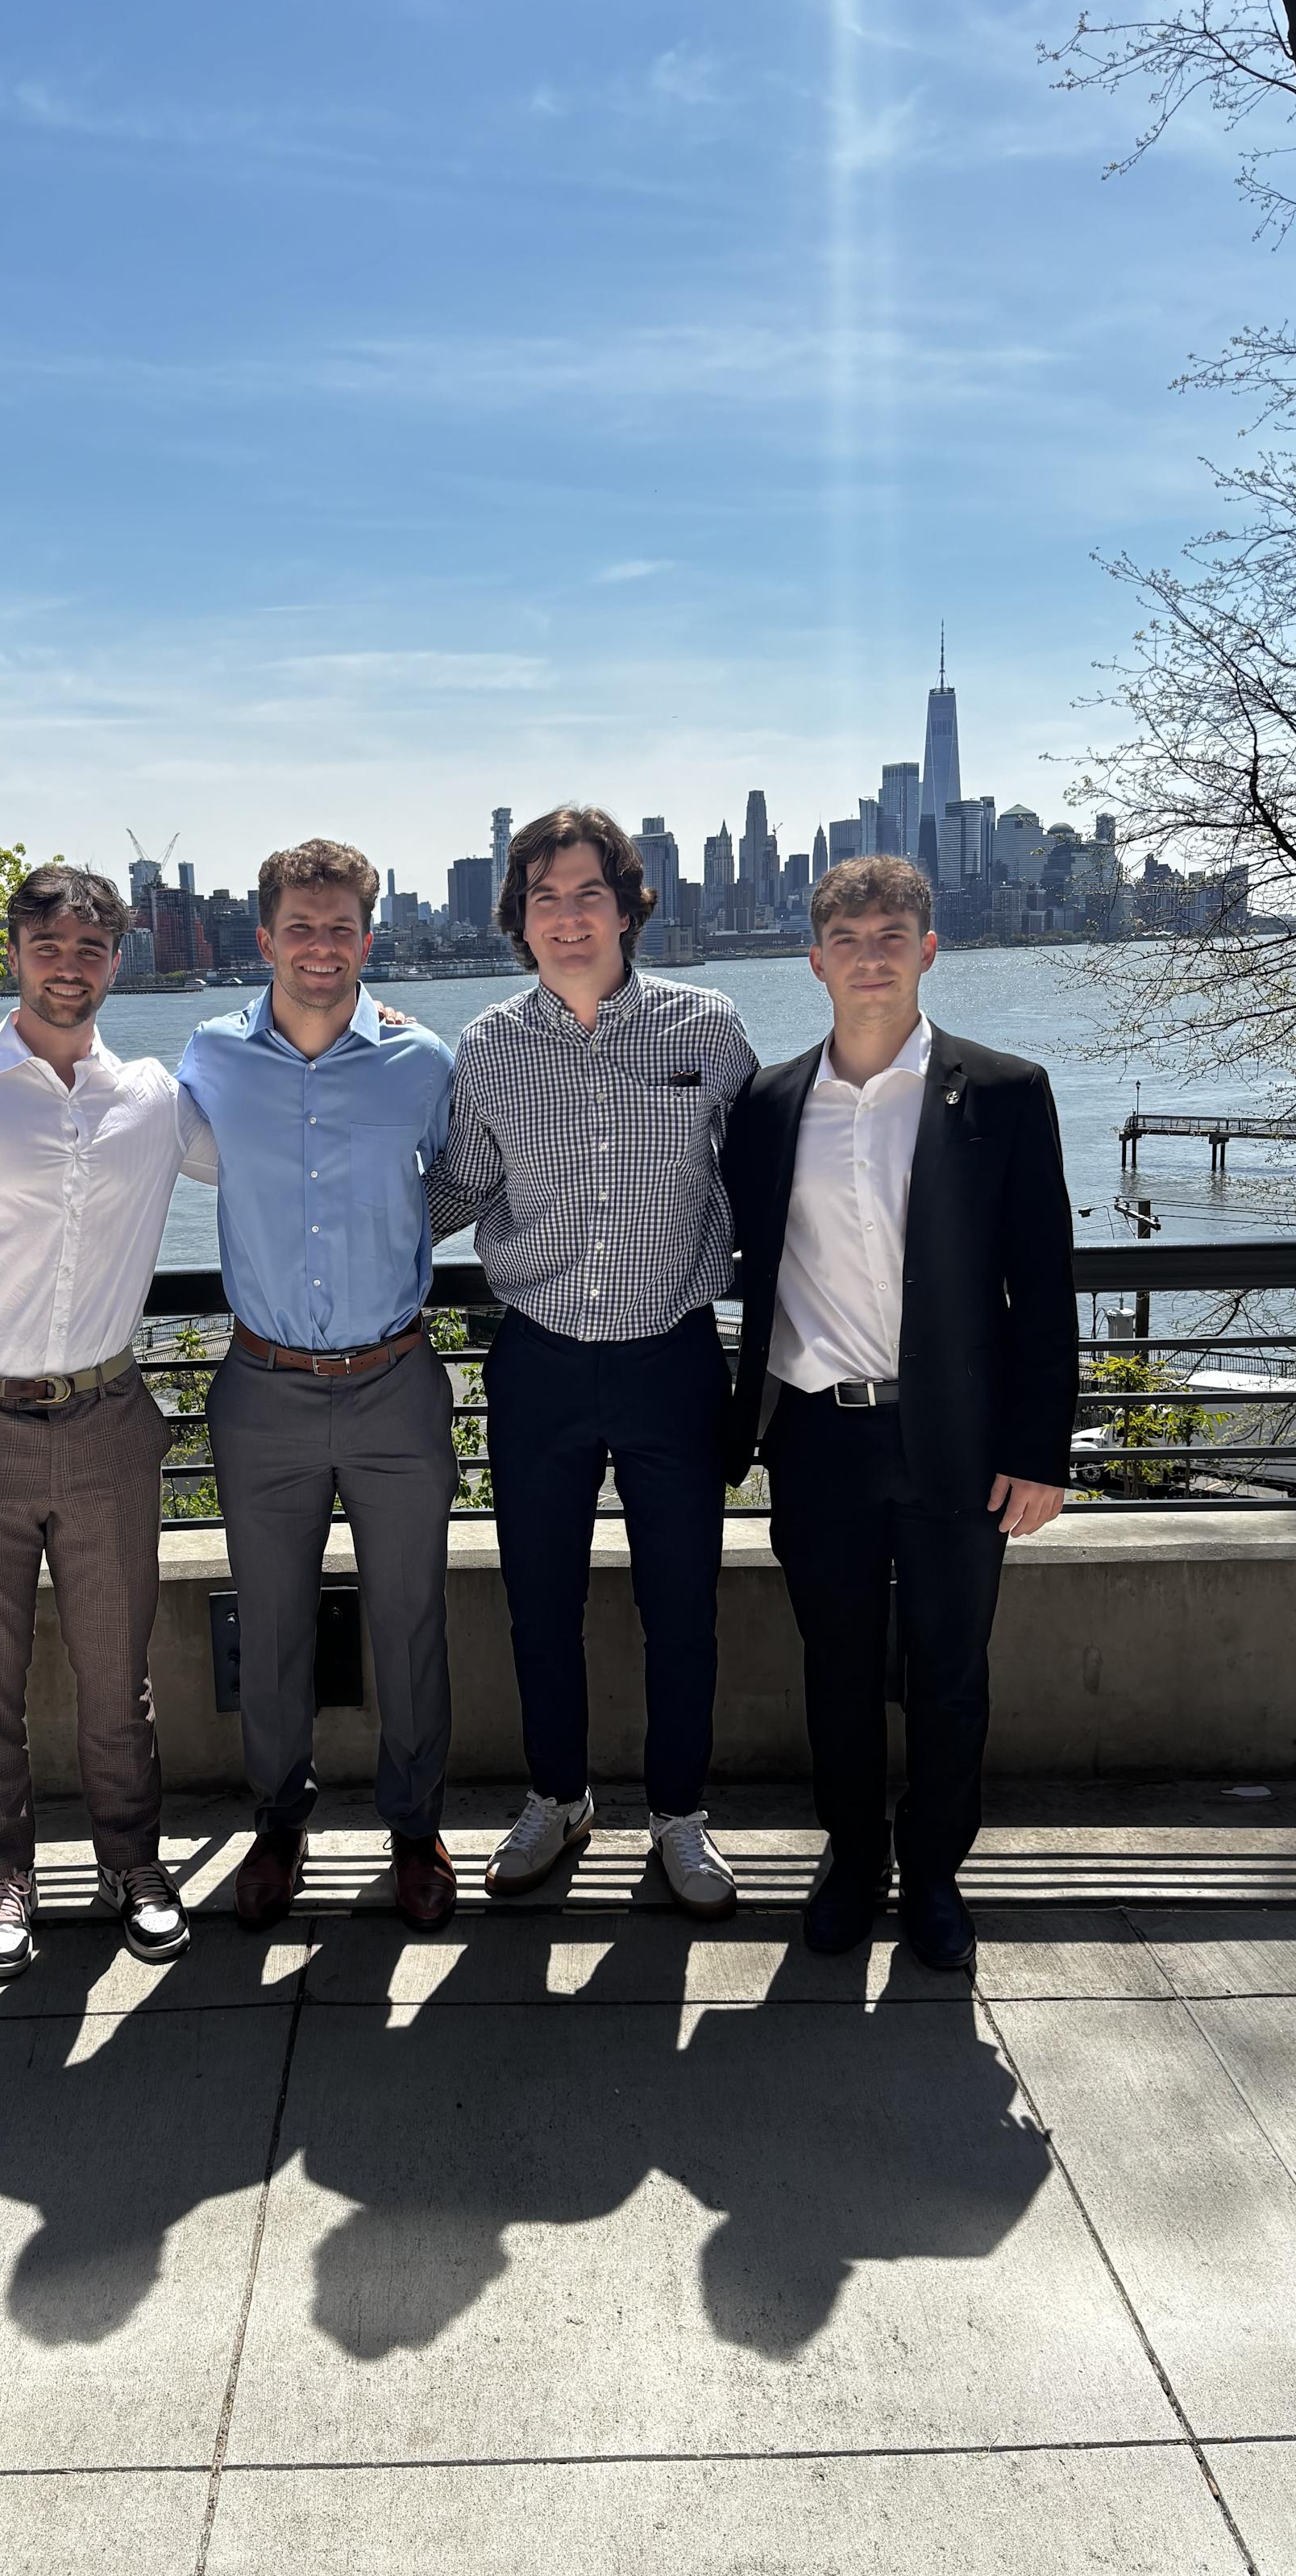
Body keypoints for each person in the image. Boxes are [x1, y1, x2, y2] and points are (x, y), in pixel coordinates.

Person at [0, 864, 215, 1983]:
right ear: (13, 953)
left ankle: (132, 1866)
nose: (70, 965)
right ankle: (1, 1878)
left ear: (120, 961)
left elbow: (273, 1137)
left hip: (110, 1417)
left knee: (121, 1672)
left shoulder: (154, 1098)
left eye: (92, 948)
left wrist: (366, 1023)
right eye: (49, 945)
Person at [722, 854, 1078, 1972]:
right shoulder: (771, 1104)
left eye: (891, 937)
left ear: (928, 951)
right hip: (819, 1431)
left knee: (948, 1669)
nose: (869, 958)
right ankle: (850, 1859)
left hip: (958, 1439)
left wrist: (1038, 1450)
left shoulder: (1006, 1093)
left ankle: (934, 1874)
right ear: (814, 959)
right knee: (833, 1666)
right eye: (848, 939)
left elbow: (1046, 1287)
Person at [426, 806, 758, 1918]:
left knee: (684, 1606)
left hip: (673, 1358)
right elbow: (459, 1190)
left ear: (627, 906)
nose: (567, 918)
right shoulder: (485, 1046)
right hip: (541, 1365)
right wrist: (319, 1186)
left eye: (587, 894)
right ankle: (557, 1798)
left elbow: (770, 1178)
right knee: (538, 1603)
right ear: (518, 919)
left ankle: (680, 1817)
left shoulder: (706, 1029)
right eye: (543, 898)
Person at [179, 840, 461, 1932]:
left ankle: (414, 1827)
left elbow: (452, 1176)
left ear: (368, 937)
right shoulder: (206, 1057)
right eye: (300, 926)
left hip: (394, 1378)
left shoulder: (420, 1061)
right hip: (262, 1384)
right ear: (265, 938)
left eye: (342, 926)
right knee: (274, 1621)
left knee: (411, 1620)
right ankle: (278, 1823)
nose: (321, 945)